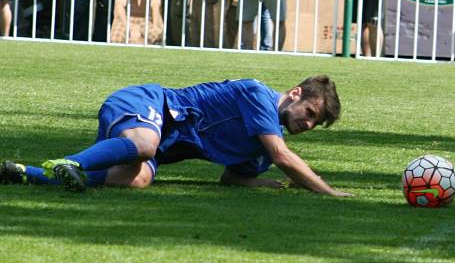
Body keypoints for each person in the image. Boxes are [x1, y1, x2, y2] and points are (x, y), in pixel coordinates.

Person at [1, 75, 352, 197]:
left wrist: (269, 186)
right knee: (144, 145)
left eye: (314, 123)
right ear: (295, 94)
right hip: (146, 102)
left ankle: (23, 173)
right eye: (309, 114)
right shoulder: (258, 95)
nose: (307, 125)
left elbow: (232, 179)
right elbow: (282, 158)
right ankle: (70, 162)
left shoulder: (264, 144)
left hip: (153, 137)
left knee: (137, 180)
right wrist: (327, 191)